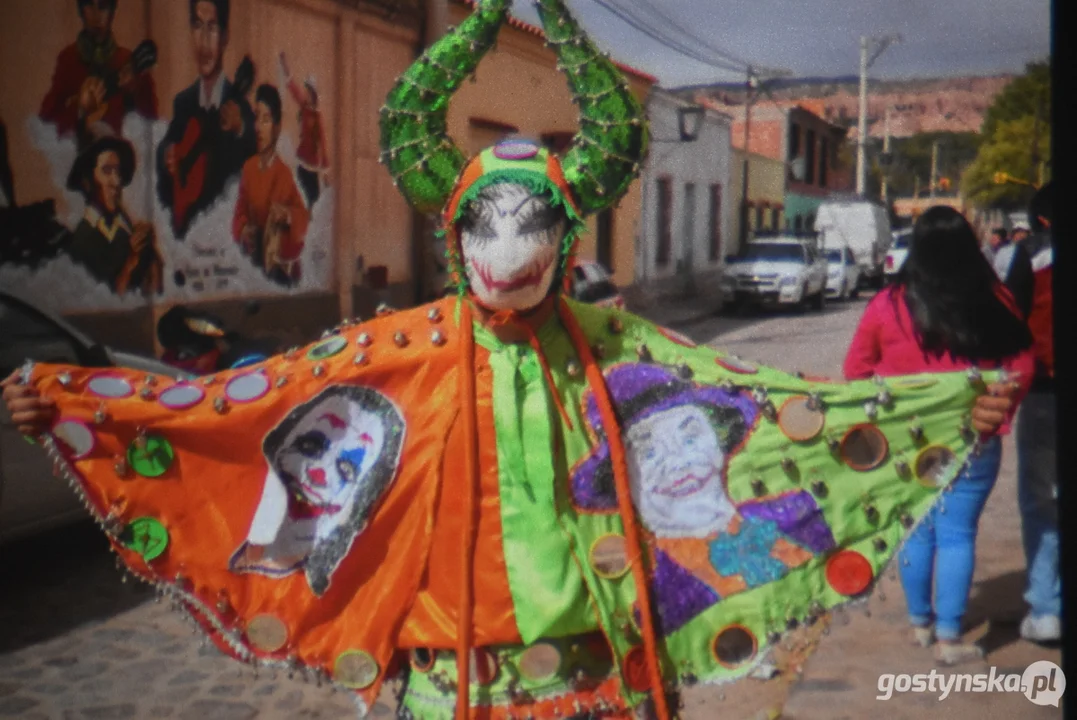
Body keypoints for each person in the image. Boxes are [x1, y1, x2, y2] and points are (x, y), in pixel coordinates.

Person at [2, 2, 1020, 718]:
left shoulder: (618, 348)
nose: (508, 257)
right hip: (448, 674)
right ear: (456, 235)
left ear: (567, 239)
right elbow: (241, 406)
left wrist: (937, 408)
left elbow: (768, 405)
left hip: (595, 669)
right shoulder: (398, 349)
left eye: (536, 234)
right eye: (485, 233)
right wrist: (86, 404)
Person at [843, 205, 1034, 665]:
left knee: (914, 531)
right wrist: (997, 410)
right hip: (974, 443)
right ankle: (950, 636)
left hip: (905, 446)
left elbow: (856, 371)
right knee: (957, 534)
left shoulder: (886, 305)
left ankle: (920, 623)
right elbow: (1022, 364)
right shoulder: (996, 300)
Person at [156, 0, 256, 238]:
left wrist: (240, 127)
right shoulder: (184, 102)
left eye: (211, 28)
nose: (203, 42)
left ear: (224, 37)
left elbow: (255, 153)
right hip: (186, 237)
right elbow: (167, 147)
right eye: (198, 26)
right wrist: (167, 154)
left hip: (223, 242)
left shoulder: (239, 108)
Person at [1014, 182, 1059, 644]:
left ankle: (1047, 608)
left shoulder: (1034, 255)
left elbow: (1012, 319)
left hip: (1046, 389)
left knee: (1042, 499)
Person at [63, 122, 163, 295]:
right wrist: (131, 260)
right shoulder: (81, 241)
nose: (116, 182)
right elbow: (106, 301)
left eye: (118, 171)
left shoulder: (124, 231)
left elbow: (157, 291)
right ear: (88, 181)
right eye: (107, 171)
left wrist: (151, 255)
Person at [38, 0, 158, 140]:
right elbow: (47, 121)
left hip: (118, 154)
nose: (96, 14)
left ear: (112, 12)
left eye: (103, 6)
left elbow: (151, 121)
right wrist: (80, 109)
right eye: (89, 4)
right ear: (81, 10)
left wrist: (134, 90)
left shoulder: (126, 61)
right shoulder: (68, 58)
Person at [232, 84, 310, 286]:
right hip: (251, 264)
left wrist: (286, 215)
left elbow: (302, 218)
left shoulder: (282, 173)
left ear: (276, 127)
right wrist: (242, 230)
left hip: (275, 268)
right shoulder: (249, 168)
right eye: (257, 117)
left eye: (266, 120)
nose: (258, 126)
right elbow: (239, 212)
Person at [279, 51, 329, 207]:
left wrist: (326, 172)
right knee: (300, 201)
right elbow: (293, 88)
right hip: (302, 163)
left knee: (312, 203)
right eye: (305, 90)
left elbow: (323, 144)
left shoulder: (317, 117)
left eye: (308, 91)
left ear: (313, 95)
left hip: (312, 168)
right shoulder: (304, 107)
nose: (305, 94)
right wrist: (284, 64)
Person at [985, 226, 1034, 319]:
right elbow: (997, 270)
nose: (1020, 236)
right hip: (1007, 291)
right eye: (1018, 232)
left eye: (1023, 233)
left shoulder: (1032, 250)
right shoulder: (1004, 251)